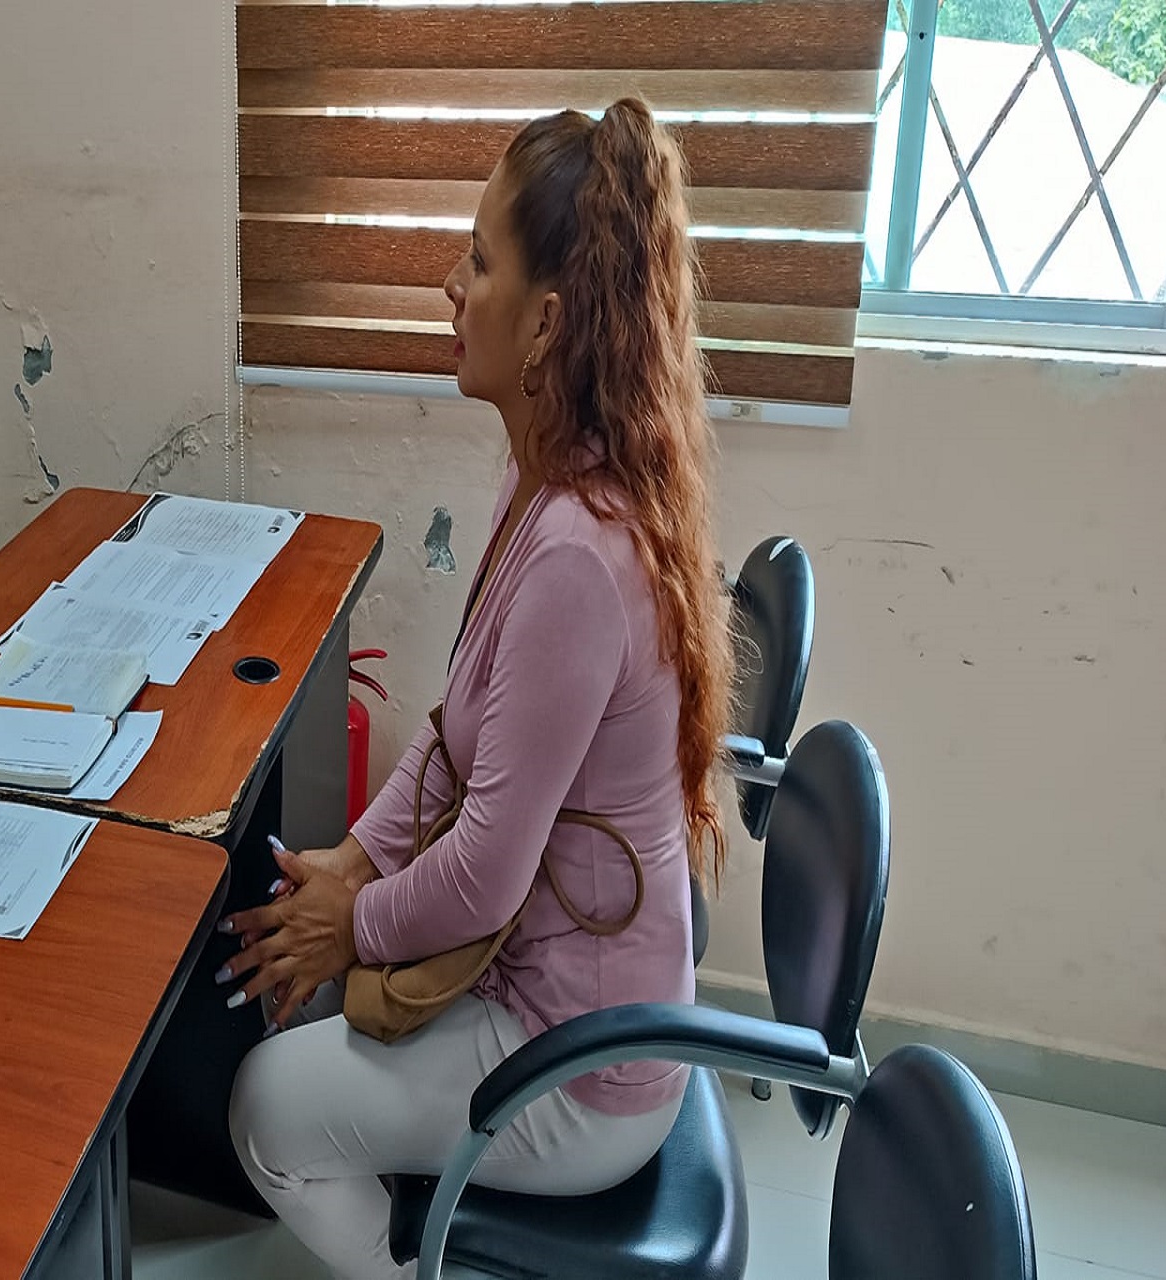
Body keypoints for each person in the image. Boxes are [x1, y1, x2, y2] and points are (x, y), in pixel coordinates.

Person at [222, 98, 733, 1279]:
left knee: (265, 1106)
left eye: (479, 260)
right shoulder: (546, 475)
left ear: (547, 322)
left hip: (580, 1066)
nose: (450, 286)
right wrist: (354, 858)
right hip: (559, 986)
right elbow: (458, 733)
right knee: (309, 993)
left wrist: (347, 921)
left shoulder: (576, 558)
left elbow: (486, 870)